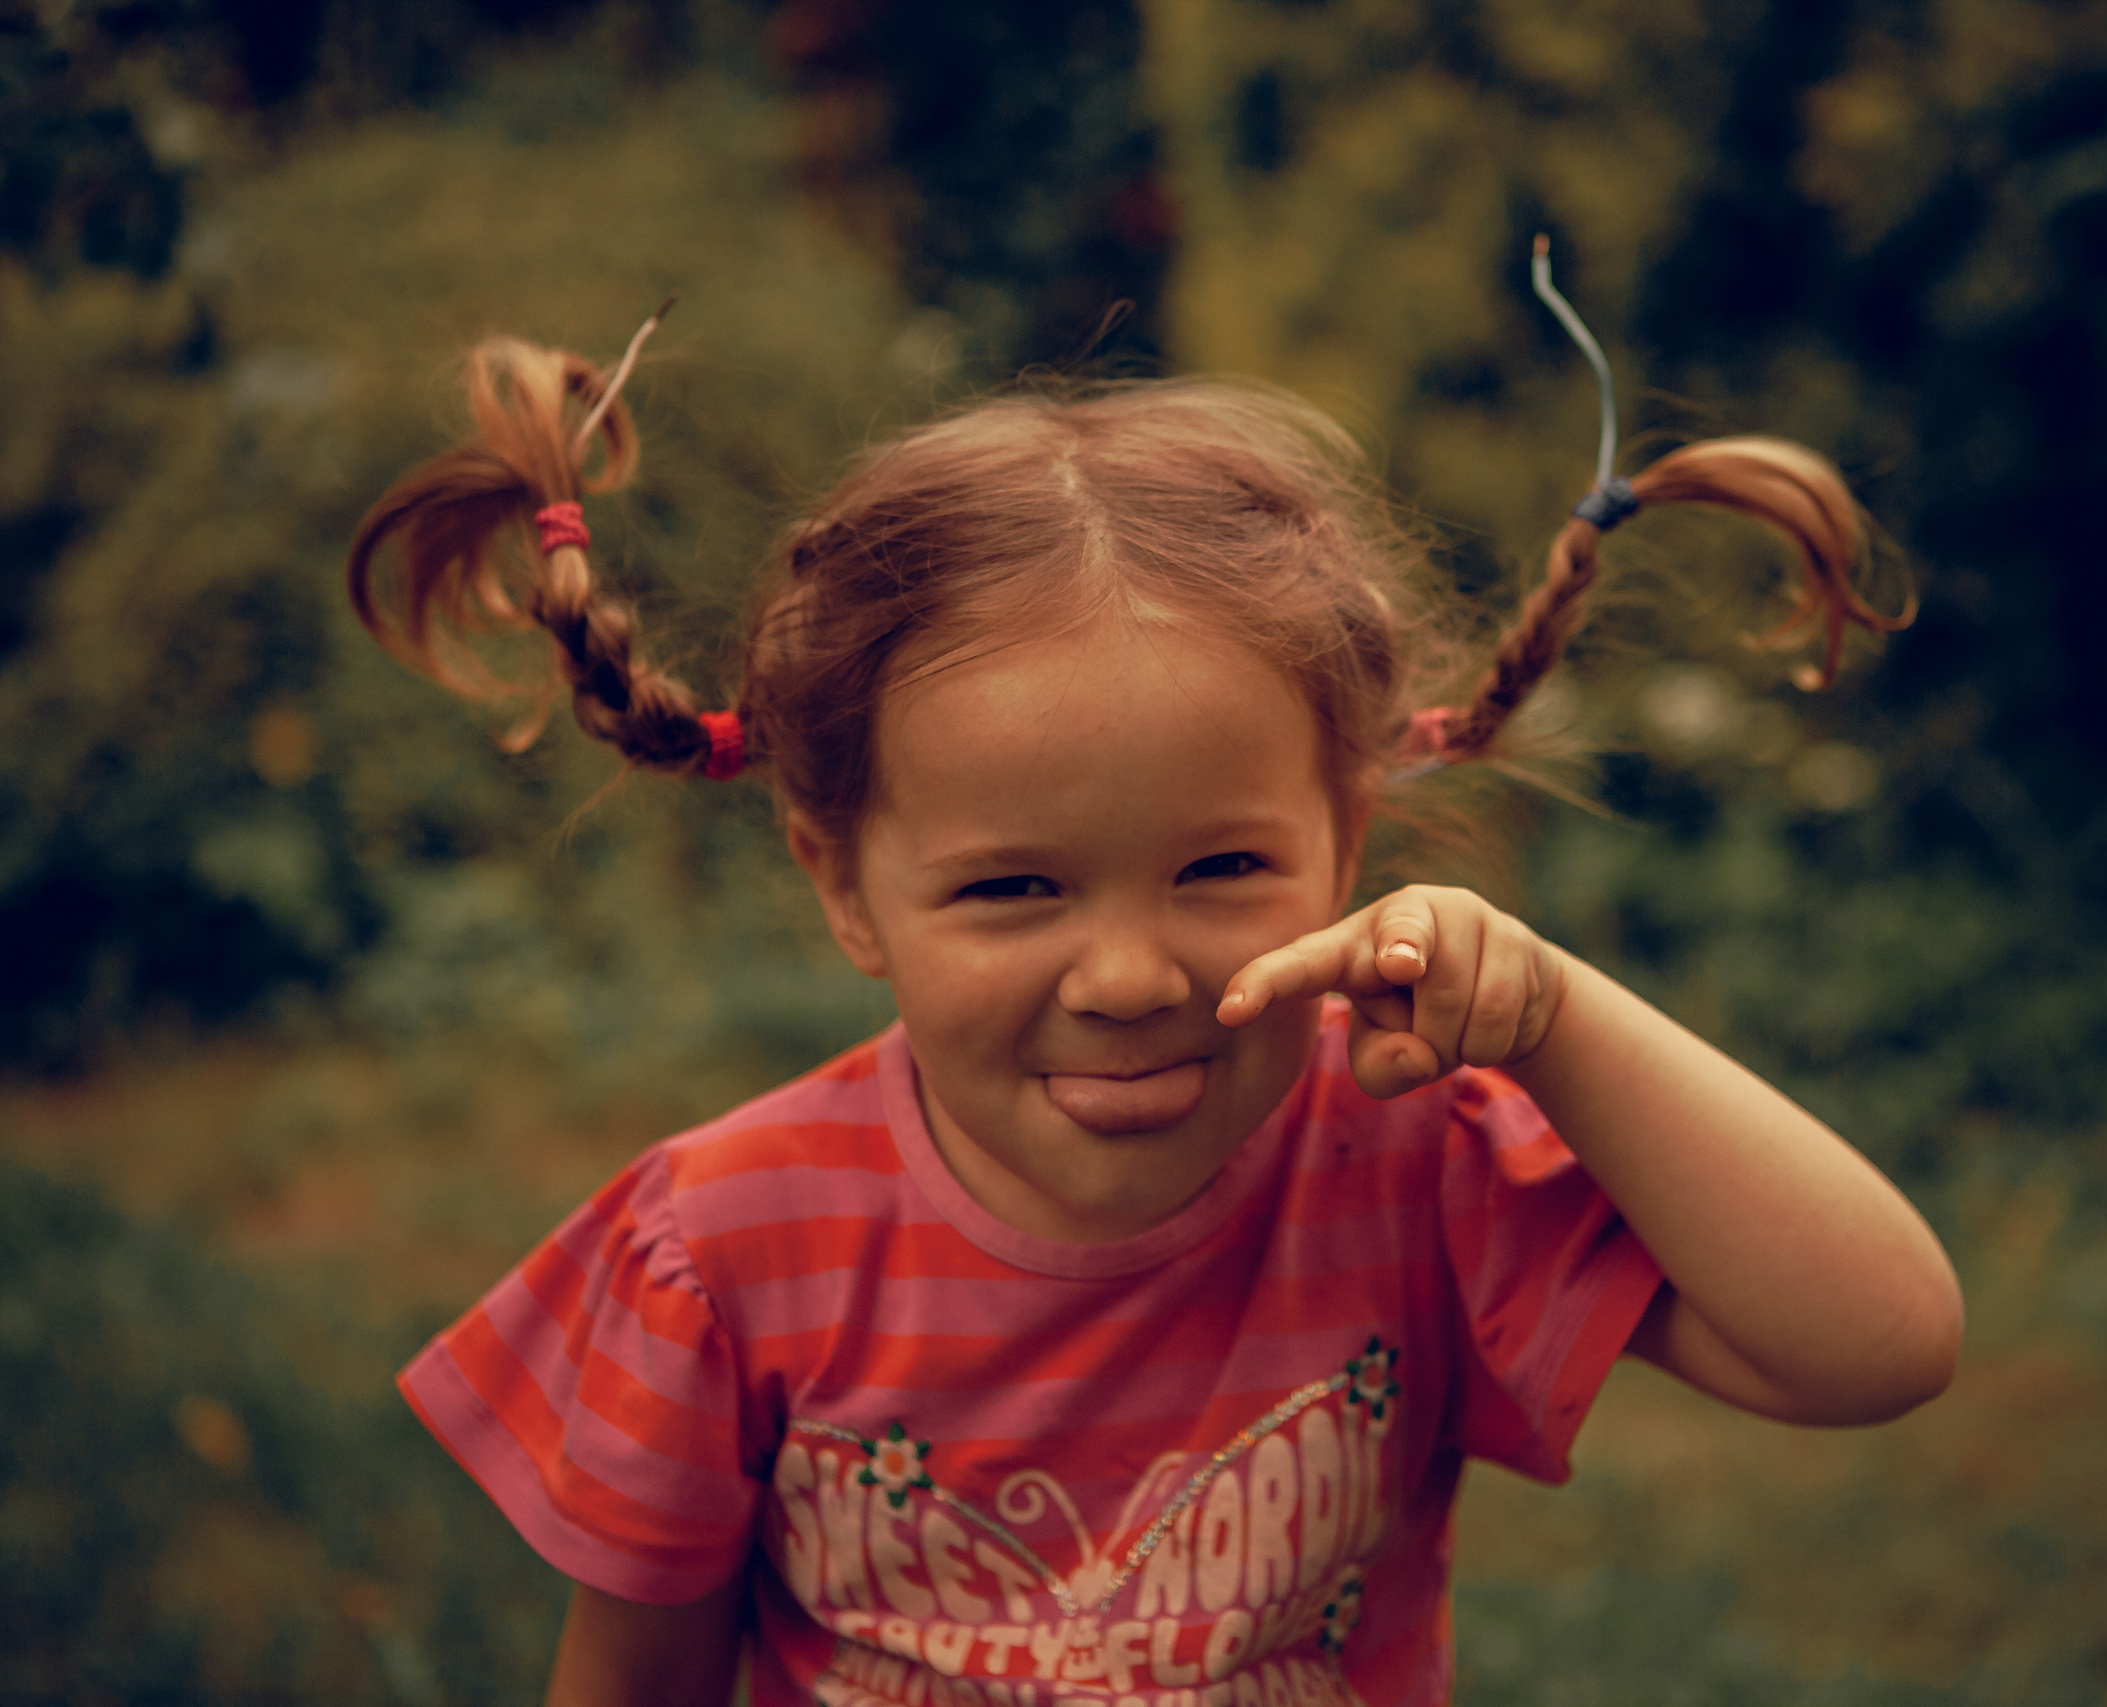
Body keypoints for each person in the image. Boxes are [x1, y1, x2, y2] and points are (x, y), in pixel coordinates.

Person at [349, 293, 1961, 1707]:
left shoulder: (1414, 1163)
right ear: (842, 881)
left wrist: (1559, 1022)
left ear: (1348, 838)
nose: (1129, 980)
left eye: (1218, 870)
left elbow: (1878, 1347)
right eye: (1011, 888)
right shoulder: (721, 1252)